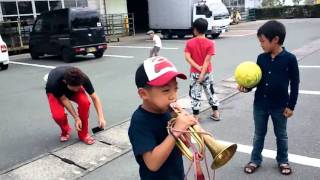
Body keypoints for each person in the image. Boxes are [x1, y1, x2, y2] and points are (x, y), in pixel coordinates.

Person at [239, 20, 299, 175]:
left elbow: (295, 83)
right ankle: (255, 159)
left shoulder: (290, 59)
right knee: (259, 134)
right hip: (260, 104)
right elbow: (257, 80)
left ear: (276, 40)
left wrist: (291, 106)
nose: (261, 45)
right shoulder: (261, 58)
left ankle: (283, 160)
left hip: (280, 105)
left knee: (281, 135)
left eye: (263, 41)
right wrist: (246, 88)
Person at [128, 56, 197, 179]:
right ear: (143, 94)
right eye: (166, 90)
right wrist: (175, 131)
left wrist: (186, 130)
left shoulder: (169, 113)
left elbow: (182, 149)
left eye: (175, 89)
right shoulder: (140, 121)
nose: (173, 96)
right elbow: (152, 164)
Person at [46, 66, 106, 145]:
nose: (76, 90)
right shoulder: (54, 83)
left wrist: (101, 117)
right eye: (74, 88)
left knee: (85, 103)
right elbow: (64, 99)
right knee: (58, 116)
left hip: (69, 86)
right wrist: (76, 118)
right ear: (65, 82)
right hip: (54, 92)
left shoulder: (83, 78)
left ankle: (83, 134)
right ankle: (65, 130)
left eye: (78, 87)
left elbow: (95, 98)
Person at [184, 18, 220, 120]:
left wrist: (198, 68)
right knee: (210, 92)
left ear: (195, 29)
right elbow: (207, 61)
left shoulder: (189, 43)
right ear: (205, 29)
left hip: (195, 73)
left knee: (195, 94)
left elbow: (187, 58)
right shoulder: (210, 43)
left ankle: (195, 117)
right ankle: (216, 113)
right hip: (207, 72)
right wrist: (203, 73)